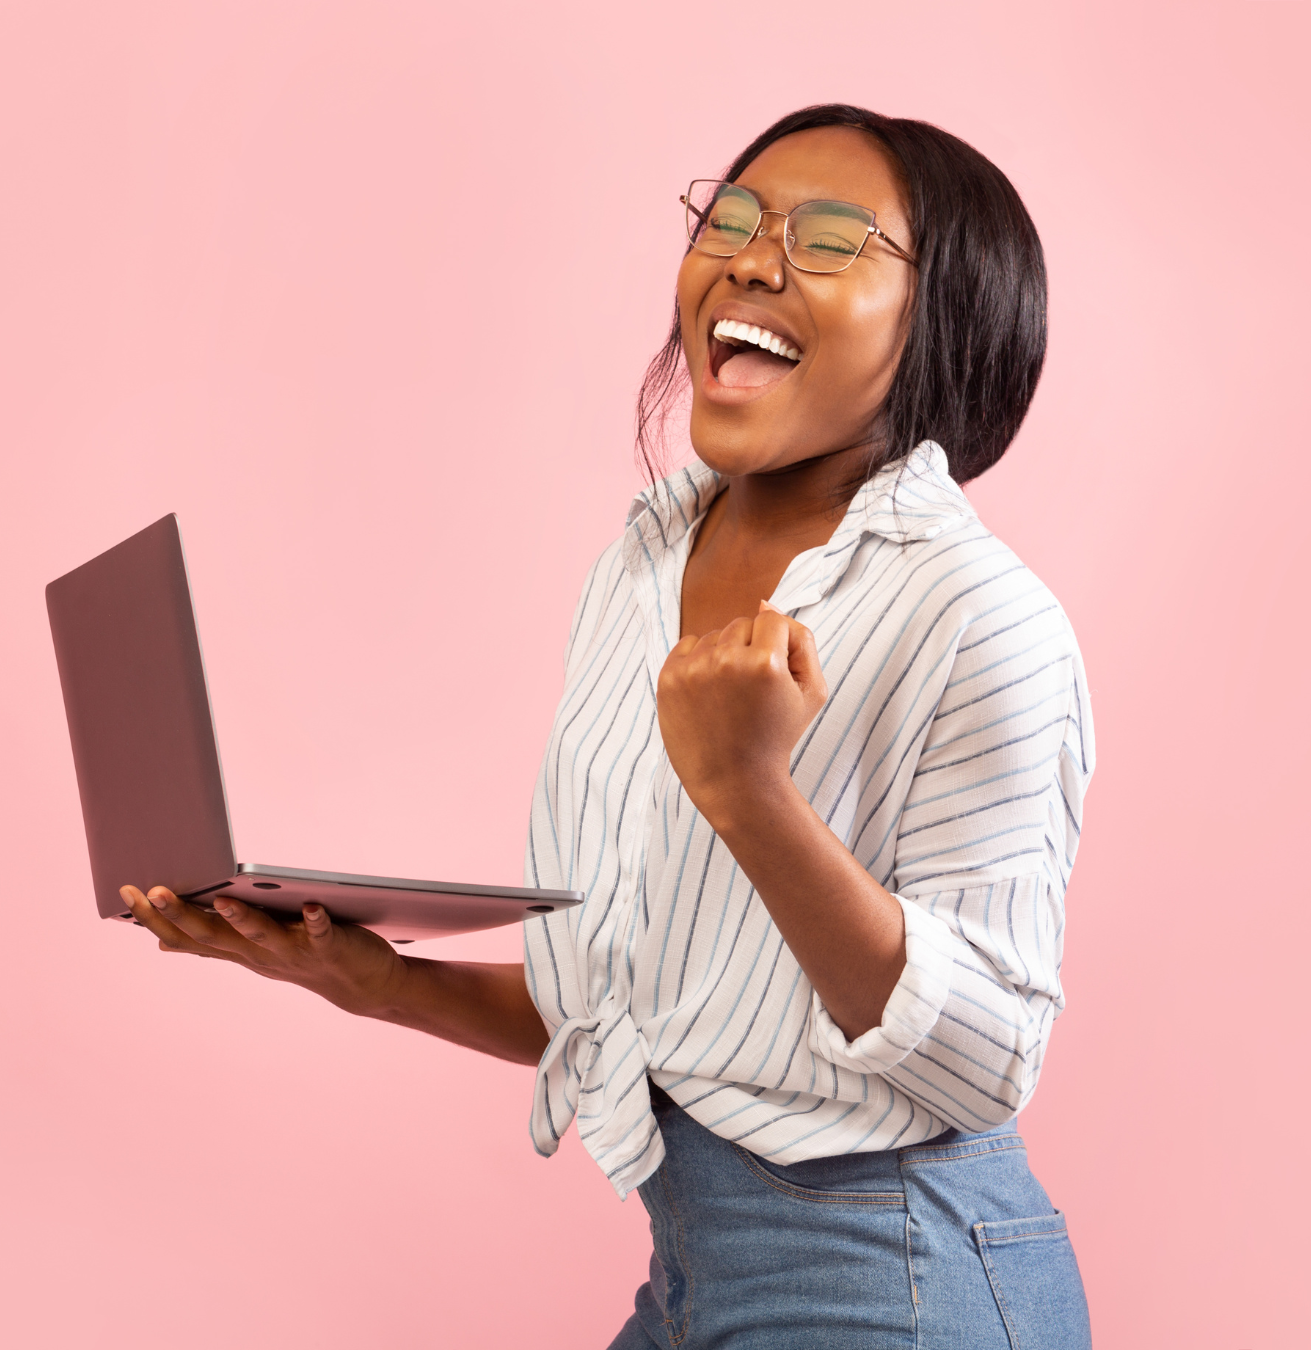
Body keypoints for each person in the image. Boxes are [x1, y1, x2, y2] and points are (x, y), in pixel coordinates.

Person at [121, 103, 1094, 1348]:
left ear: (949, 318)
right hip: (693, 1275)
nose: (750, 257)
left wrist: (750, 795)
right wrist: (370, 978)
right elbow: (647, 1015)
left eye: (834, 238)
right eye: (731, 219)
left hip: (894, 1278)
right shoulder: (638, 570)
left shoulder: (982, 618)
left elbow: (980, 1064)